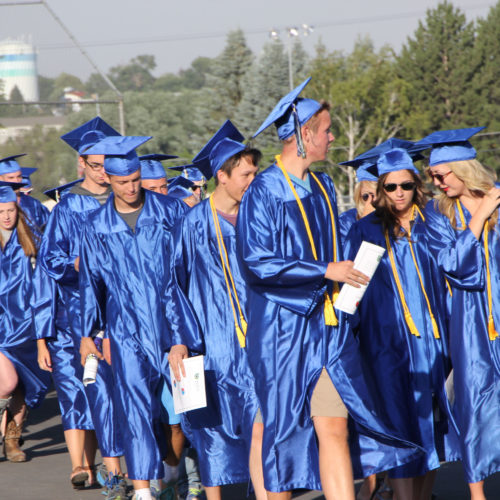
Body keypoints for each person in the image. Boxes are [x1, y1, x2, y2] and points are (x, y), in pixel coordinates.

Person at [236, 78, 421, 499]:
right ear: (304, 136)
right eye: (325, 130)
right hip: (283, 332)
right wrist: (325, 271)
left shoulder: (319, 187)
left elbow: (343, 245)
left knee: (334, 425)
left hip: (327, 327)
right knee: (284, 433)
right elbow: (256, 262)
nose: (331, 137)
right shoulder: (263, 191)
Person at [344, 148, 460, 500]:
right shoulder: (365, 229)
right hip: (386, 343)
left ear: (416, 185)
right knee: (401, 424)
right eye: (390, 185)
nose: (398, 192)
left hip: (434, 340)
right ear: (380, 188)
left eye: (406, 185)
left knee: (430, 429)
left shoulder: (434, 223)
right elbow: (352, 291)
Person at [78, 135, 188, 500]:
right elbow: (90, 282)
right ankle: (142, 490)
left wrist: (186, 331)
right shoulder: (96, 225)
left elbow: (189, 272)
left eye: (135, 179)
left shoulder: (169, 211)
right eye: (122, 181)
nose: (130, 187)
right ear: (108, 179)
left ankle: (173, 475)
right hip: (124, 329)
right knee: (136, 409)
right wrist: (87, 335)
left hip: (173, 324)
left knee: (178, 414)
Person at [168, 122, 265, 500]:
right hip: (212, 341)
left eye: (255, 172)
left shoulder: (261, 217)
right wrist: (178, 341)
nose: (253, 180)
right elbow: (172, 285)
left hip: (262, 335)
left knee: (263, 422)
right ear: (222, 177)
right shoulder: (191, 225)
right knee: (212, 430)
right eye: (245, 174)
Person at [37, 117, 125, 494]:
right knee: (86, 386)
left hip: (121, 309)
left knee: (118, 389)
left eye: (110, 162)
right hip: (78, 313)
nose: (104, 171)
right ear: (81, 164)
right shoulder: (69, 206)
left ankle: (117, 466)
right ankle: (95, 468)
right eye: (96, 164)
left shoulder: (124, 201)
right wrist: (77, 266)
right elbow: (49, 260)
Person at [416, 127, 500, 500]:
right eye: (432, 176)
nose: (436, 182)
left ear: (464, 169)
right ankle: (477, 492)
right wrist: (479, 217)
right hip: (470, 321)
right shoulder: (436, 214)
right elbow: (452, 264)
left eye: (441, 174)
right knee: (473, 400)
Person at [0, 182, 51, 462]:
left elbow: (43, 286)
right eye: (1, 211)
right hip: (1, 328)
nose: (6, 216)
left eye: (10, 210)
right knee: (6, 382)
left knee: (23, 386)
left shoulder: (30, 241)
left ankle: (12, 439)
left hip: (28, 327)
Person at [0, 156, 49, 233]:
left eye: (19, 176)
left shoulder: (34, 204)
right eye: (11, 178)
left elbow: (48, 232)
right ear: (0, 178)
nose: (16, 181)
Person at [338, 162, 378, 242]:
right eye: (367, 196)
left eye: (380, 195)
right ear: (359, 195)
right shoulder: (346, 221)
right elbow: (349, 252)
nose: (374, 201)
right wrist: (365, 223)